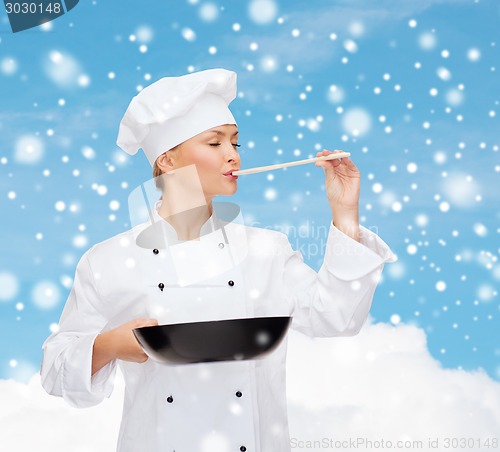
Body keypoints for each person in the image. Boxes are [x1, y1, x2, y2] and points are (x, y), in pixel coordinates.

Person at [40, 68, 397, 452]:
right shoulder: (108, 261)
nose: (233, 156)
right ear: (168, 161)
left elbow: (337, 317)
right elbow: (55, 372)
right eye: (214, 143)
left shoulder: (266, 251)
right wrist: (108, 345)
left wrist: (344, 212)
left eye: (236, 143)